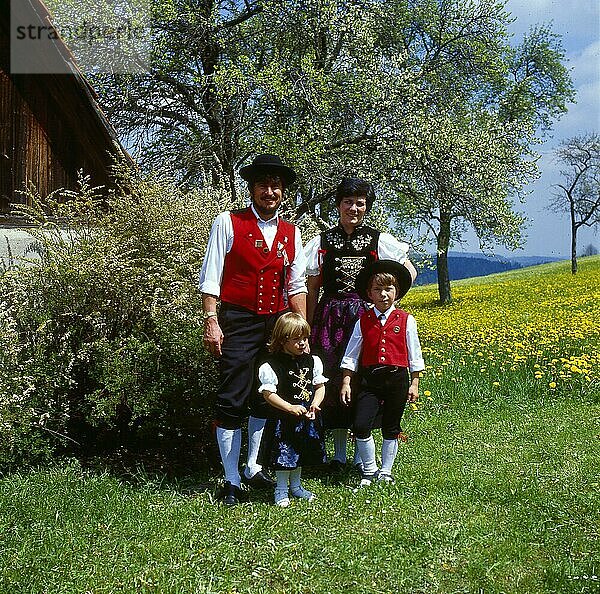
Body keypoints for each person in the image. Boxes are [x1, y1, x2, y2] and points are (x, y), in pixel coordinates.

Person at [199, 154, 307, 505]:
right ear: (252, 188)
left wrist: (301, 330)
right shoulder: (228, 223)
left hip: (276, 323)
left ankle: (252, 466)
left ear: (283, 192)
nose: (270, 191)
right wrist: (212, 321)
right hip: (239, 320)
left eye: (276, 186)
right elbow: (211, 277)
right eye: (263, 185)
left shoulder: (292, 232)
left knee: (270, 392)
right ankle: (230, 480)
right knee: (232, 396)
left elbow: (296, 285)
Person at [304, 177, 417, 471]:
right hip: (330, 320)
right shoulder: (323, 241)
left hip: (365, 318)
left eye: (360, 203)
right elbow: (313, 286)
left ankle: (359, 454)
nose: (353, 208)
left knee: (363, 381)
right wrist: (309, 321)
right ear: (338, 205)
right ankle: (338, 454)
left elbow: (408, 271)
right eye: (348, 202)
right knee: (332, 378)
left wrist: (387, 304)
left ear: (367, 207)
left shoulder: (379, 240)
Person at [340, 260, 424, 486]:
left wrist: (414, 383)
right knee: (360, 425)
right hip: (370, 380)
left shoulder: (406, 320)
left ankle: (386, 471)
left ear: (397, 293)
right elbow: (351, 353)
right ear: (369, 293)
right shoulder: (363, 321)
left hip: (397, 379)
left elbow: (415, 353)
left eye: (388, 289)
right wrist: (346, 382)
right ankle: (369, 469)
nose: (383, 294)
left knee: (391, 426)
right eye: (377, 289)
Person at [257, 313, 327, 507]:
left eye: (304, 338)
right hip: (283, 419)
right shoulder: (272, 365)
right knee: (284, 454)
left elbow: (319, 386)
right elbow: (268, 394)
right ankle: (280, 489)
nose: (302, 343)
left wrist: (315, 403)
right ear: (282, 340)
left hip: (305, 417)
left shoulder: (313, 361)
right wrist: (288, 407)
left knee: (300, 451)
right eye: (296, 339)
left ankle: (296, 486)